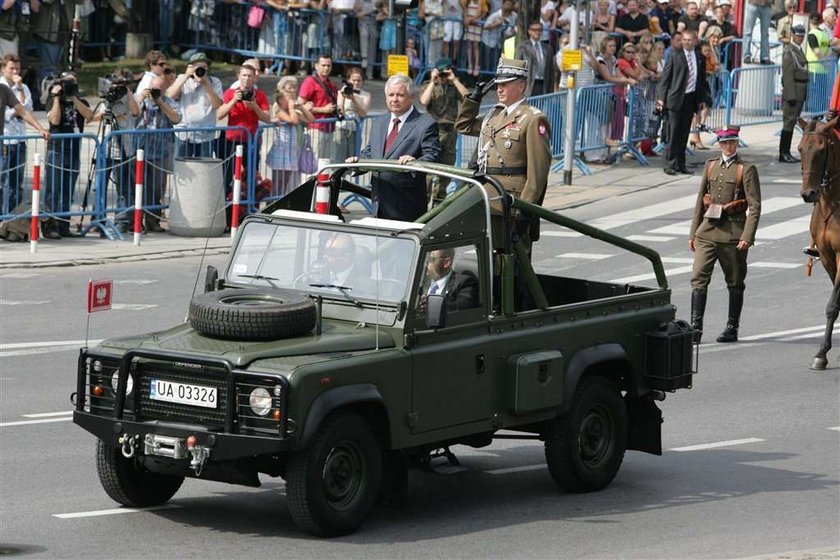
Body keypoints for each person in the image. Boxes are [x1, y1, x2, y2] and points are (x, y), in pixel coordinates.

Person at [455, 57, 551, 254]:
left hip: (512, 203)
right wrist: (473, 100)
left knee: (513, 265)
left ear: (521, 86)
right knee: (488, 263)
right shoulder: (494, 115)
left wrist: (525, 210)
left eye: (505, 84)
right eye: (498, 84)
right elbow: (463, 126)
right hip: (487, 199)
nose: (499, 89)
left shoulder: (532, 118)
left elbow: (537, 174)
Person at [689, 126, 761, 344]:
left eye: (732, 142)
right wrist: (693, 233)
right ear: (719, 144)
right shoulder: (710, 166)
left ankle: (732, 327)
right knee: (698, 278)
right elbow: (701, 199)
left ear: (736, 143)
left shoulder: (745, 169)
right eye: (724, 143)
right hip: (707, 232)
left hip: (732, 234)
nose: (728, 146)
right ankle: (695, 327)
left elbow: (755, 206)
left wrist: (747, 236)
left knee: (735, 281)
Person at [349, 74, 440, 222]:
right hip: (379, 204)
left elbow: (433, 155)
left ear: (411, 97)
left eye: (400, 95)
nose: (394, 99)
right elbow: (371, 152)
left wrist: (415, 162)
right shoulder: (379, 122)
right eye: (391, 95)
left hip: (407, 206)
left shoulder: (425, 123)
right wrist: (357, 162)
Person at [90, 66, 140, 234]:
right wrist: (106, 109)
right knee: (99, 185)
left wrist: (127, 90)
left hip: (124, 148)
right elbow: (92, 117)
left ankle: (122, 220)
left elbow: (135, 111)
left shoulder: (128, 97)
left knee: (124, 188)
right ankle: (98, 217)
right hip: (106, 148)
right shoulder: (108, 99)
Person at [43, 72, 93, 238]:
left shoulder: (80, 101)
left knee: (67, 192)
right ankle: (50, 227)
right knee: (53, 191)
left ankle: (64, 226)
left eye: (73, 83)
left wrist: (75, 98)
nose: (70, 86)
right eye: (67, 84)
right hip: (56, 150)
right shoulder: (53, 100)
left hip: (73, 151)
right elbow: (55, 121)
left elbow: (89, 116)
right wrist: (57, 97)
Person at [656, 29, 707, 176]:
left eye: (689, 40)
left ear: (695, 40)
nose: (686, 42)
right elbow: (665, 79)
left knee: (684, 133)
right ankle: (669, 164)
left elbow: (701, 80)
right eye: (684, 40)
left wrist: (701, 99)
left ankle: (681, 163)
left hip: (690, 98)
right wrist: (661, 98)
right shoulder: (674, 55)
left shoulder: (699, 57)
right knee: (673, 132)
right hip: (675, 98)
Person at [217, 63, 271, 198]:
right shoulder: (230, 93)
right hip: (231, 141)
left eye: (250, 76)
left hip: (251, 142)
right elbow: (219, 115)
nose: (247, 79)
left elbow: (268, 118)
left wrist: (255, 107)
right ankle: (227, 208)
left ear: (254, 78)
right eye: (244, 75)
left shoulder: (260, 95)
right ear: (239, 76)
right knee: (227, 176)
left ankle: (250, 206)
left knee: (251, 176)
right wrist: (234, 100)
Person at [136, 75, 181, 233]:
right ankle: (135, 221)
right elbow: (132, 112)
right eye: (153, 88)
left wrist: (160, 101)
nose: (156, 91)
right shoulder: (142, 99)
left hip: (160, 152)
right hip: (140, 151)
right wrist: (142, 97)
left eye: (159, 89)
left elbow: (176, 118)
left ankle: (152, 220)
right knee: (139, 188)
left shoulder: (168, 102)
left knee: (155, 190)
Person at [419, 57, 468, 201]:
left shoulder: (454, 86)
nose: (444, 76)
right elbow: (424, 101)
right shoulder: (429, 85)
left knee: (446, 168)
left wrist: (454, 80)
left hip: (450, 131)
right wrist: (433, 81)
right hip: (434, 130)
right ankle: (425, 198)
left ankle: (439, 198)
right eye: (443, 73)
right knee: (429, 168)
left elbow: (467, 97)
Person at [167, 51, 223, 158]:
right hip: (184, 133)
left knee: (204, 169)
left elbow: (217, 104)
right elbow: (170, 96)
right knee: (182, 168)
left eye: (203, 67)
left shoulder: (214, 82)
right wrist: (186, 75)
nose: (200, 70)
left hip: (206, 134)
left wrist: (206, 83)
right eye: (197, 67)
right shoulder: (182, 80)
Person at [266, 76, 314, 198]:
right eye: (288, 96)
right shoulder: (279, 110)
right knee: (278, 182)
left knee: (286, 182)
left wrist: (301, 108)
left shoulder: (292, 110)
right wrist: (292, 108)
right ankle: (270, 205)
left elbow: (311, 119)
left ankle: (280, 202)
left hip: (291, 152)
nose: (292, 94)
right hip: (281, 151)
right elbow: (293, 121)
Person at [0, 53, 34, 214]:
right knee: (2, 181)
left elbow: (28, 110)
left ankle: (12, 217)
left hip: (20, 139)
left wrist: (19, 89)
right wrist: (19, 110)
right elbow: (6, 115)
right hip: (6, 140)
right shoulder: (2, 88)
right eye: (11, 68)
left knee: (16, 182)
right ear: (3, 69)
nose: (15, 72)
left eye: (18, 68)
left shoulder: (23, 87)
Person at [297, 54, 339, 162]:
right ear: (316, 66)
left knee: (325, 164)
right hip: (315, 128)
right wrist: (322, 110)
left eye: (328, 65)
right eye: (323, 65)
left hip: (330, 128)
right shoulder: (310, 81)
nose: (326, 68)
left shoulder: (332, 85)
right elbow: (298, 105)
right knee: (314, 163)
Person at [779, 25, 808, 164]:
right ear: (792, 35)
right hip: (794, 92)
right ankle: (784, 153)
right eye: (798, 35)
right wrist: (790, 96)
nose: (800, 38)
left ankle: (787, 152)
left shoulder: (798, 50)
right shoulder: (789, 51)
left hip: (799, 91)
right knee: (788, 123)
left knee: (791, 122)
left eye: (802, 36)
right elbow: (788, 75)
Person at [420, 247, 480, 312]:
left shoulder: (465, 282)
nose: (426, 264)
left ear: (446, 262)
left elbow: (464, 306)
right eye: (425, 259)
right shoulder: (419, 281)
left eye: (430, 260)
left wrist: (435, 306)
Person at [335, 66, 371, 163]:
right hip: (342, 127)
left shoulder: (365, 95)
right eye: (354, 80)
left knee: (353, 157)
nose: (356, 83)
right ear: (348, 80)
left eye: (359, 80)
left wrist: (354, 99)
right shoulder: (342, 91)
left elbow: (363, 113)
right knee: (339, 157)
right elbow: (340, 112)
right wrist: (342, 97)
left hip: (356, 128)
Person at [515, 20, 556, 96]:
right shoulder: (523, 47)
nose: (537, 32)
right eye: (534, 30)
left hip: (543, 85)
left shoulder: (547, 48)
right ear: (529, 31)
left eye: (540, 30)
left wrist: (550, 90)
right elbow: (517, 68)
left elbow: (551, 71)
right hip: (528, 85)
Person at [742, 0, 773, 64]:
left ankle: (765, 57)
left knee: (765, 33)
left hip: (767, 5)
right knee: (748, 31)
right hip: (753, 4)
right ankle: (746, 55)